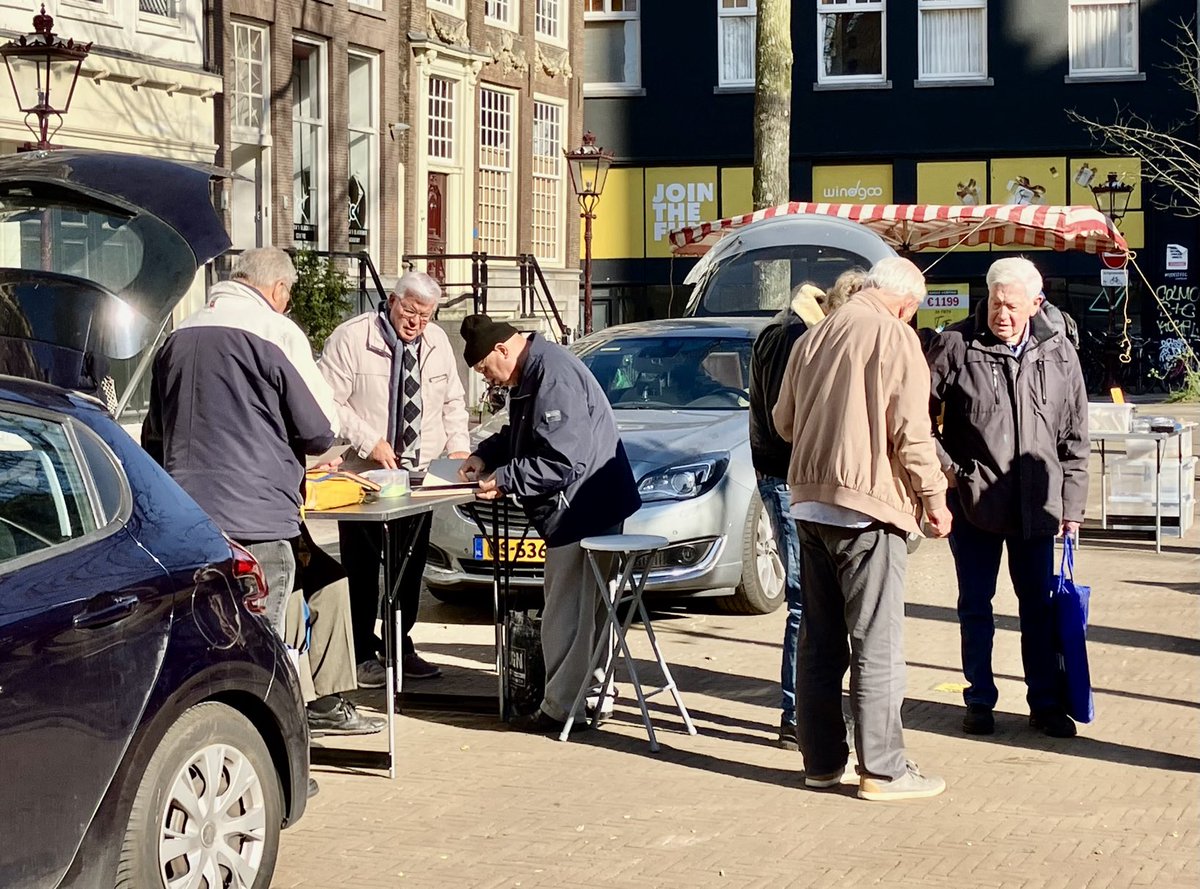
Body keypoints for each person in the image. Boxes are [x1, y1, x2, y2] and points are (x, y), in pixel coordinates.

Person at [772, 257, 952, 802]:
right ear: (907, 303)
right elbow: (912, 433)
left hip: (809, 502)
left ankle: (822, 762)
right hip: (868, 507)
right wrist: (935, 499)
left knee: (820, 640)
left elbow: (783, 421)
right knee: (877, 639)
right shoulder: (896, 338)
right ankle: (884, 769)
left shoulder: (814, 334)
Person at [927, 257, 1089, 739]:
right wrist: (953, 473)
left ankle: (1044, 702)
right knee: (976, 605)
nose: (1002, 314)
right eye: (996, 302)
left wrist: (1073, 509)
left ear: (1036, 304)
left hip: (1038, 507)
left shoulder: (1060, 352)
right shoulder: (955, 344)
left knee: (1037, 607)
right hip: (975, 505)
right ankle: (979, 699)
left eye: (1013, 306)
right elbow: (914, 416)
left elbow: (1076, 438)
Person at [457, 314, 641, 734]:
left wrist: (504, 480)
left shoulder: (551, 375)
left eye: (486, 369)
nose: (491, 380)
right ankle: (592, 697)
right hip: (587, 503)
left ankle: (561, 708)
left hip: (583, 507)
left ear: (502, 348)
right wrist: (486, 454)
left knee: (568, 609)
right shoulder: (535, 369)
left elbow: (562, 459)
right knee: (583, 608)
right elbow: (522, 433)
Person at [143, 247, 338, 636]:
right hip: (258, 521)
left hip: (187, 520)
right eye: (288, 295)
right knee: (258, 643)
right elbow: (320, 430)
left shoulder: (177, 335)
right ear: (279, 288)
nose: (287, 304)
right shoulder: (277, 332)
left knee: (202, 640)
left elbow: (154, 435)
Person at [319, 270, 470, 686]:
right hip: (365, 478)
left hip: (419, 476)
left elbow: (454, 400)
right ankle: (363, 651)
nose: (416, 322)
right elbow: (328, 403)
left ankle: (400, 643)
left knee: (410, 564)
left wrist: (458, 447)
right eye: (410, 311)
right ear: (392, 301)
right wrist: (371, 442)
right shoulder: (352, 338)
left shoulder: (437, 342)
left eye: (425, 315)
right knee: (363, 567)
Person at [748, 282, 825, 750]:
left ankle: (799, 711)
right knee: (804, 599)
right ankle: (796, 715)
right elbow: (787, 417)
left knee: (805, 598)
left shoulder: (778, 330)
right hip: (789, 474)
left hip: (779, 471)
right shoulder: (798, 337)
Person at [285, 524, 386, 736]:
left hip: (283, 520)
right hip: (253, 526)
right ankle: (292, 704)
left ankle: (325, 704)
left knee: (331, 579)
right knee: (291, 587)